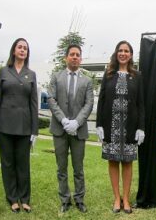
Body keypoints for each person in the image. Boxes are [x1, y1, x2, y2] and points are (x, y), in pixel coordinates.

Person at [96, 40, 145, 214]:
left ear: (131, 55)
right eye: (120, 50)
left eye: (126, 51)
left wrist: (141, 127)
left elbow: (141, 103)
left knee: (128, 162)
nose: (123, 53)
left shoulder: (137, 76)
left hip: (130, 126)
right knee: (113, 160)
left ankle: (126, 199)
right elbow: (101, 100)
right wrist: (99, 125)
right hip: (111, 125)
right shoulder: (108, 74)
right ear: (116, 53)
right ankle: (117, 198)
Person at [0, 38, 38, 213]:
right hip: (5, 125)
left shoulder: (31, 74)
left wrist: (35, 130)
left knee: (23, 164)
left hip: (24, 127)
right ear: (14, 50)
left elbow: (34, 103)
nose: (22, 50)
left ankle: (24, 198)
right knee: (8, 163)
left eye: (25, 48)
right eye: (20, 47)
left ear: (27, 53)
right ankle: (12, 198)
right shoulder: (4, 71)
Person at [48, 44, 93, 213]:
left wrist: (77, 122)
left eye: (78, 55)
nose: (75, 57)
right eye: (72, 54)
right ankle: (65, 200)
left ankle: (79, 199)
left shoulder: (87, 80)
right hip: (60, 130)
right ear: (66, 57)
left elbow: (89, 103)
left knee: (78, 168)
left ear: (80, 59)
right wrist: (64, 120)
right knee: (61, 168)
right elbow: (51, 100)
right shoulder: (56, 77)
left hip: (79, 131)